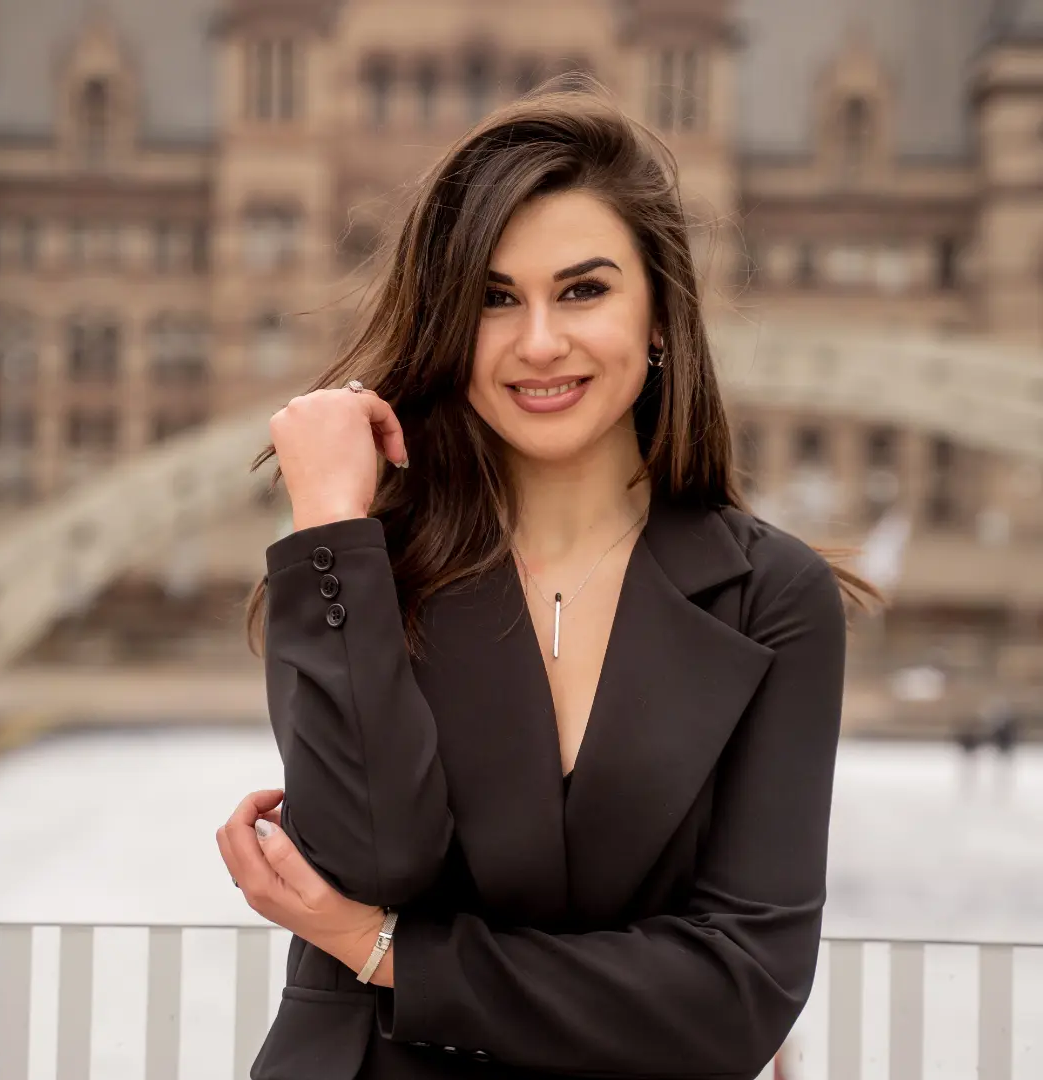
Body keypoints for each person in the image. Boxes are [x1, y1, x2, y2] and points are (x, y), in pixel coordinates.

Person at [215, 80, 878, 1080]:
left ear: (660, 318)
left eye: (583, 290)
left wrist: (387, 953)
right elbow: (371, 857)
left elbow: (738, 994)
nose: (536, 343)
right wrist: (331, 522)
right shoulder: (363, 564)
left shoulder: (773, 601)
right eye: (492, 298)